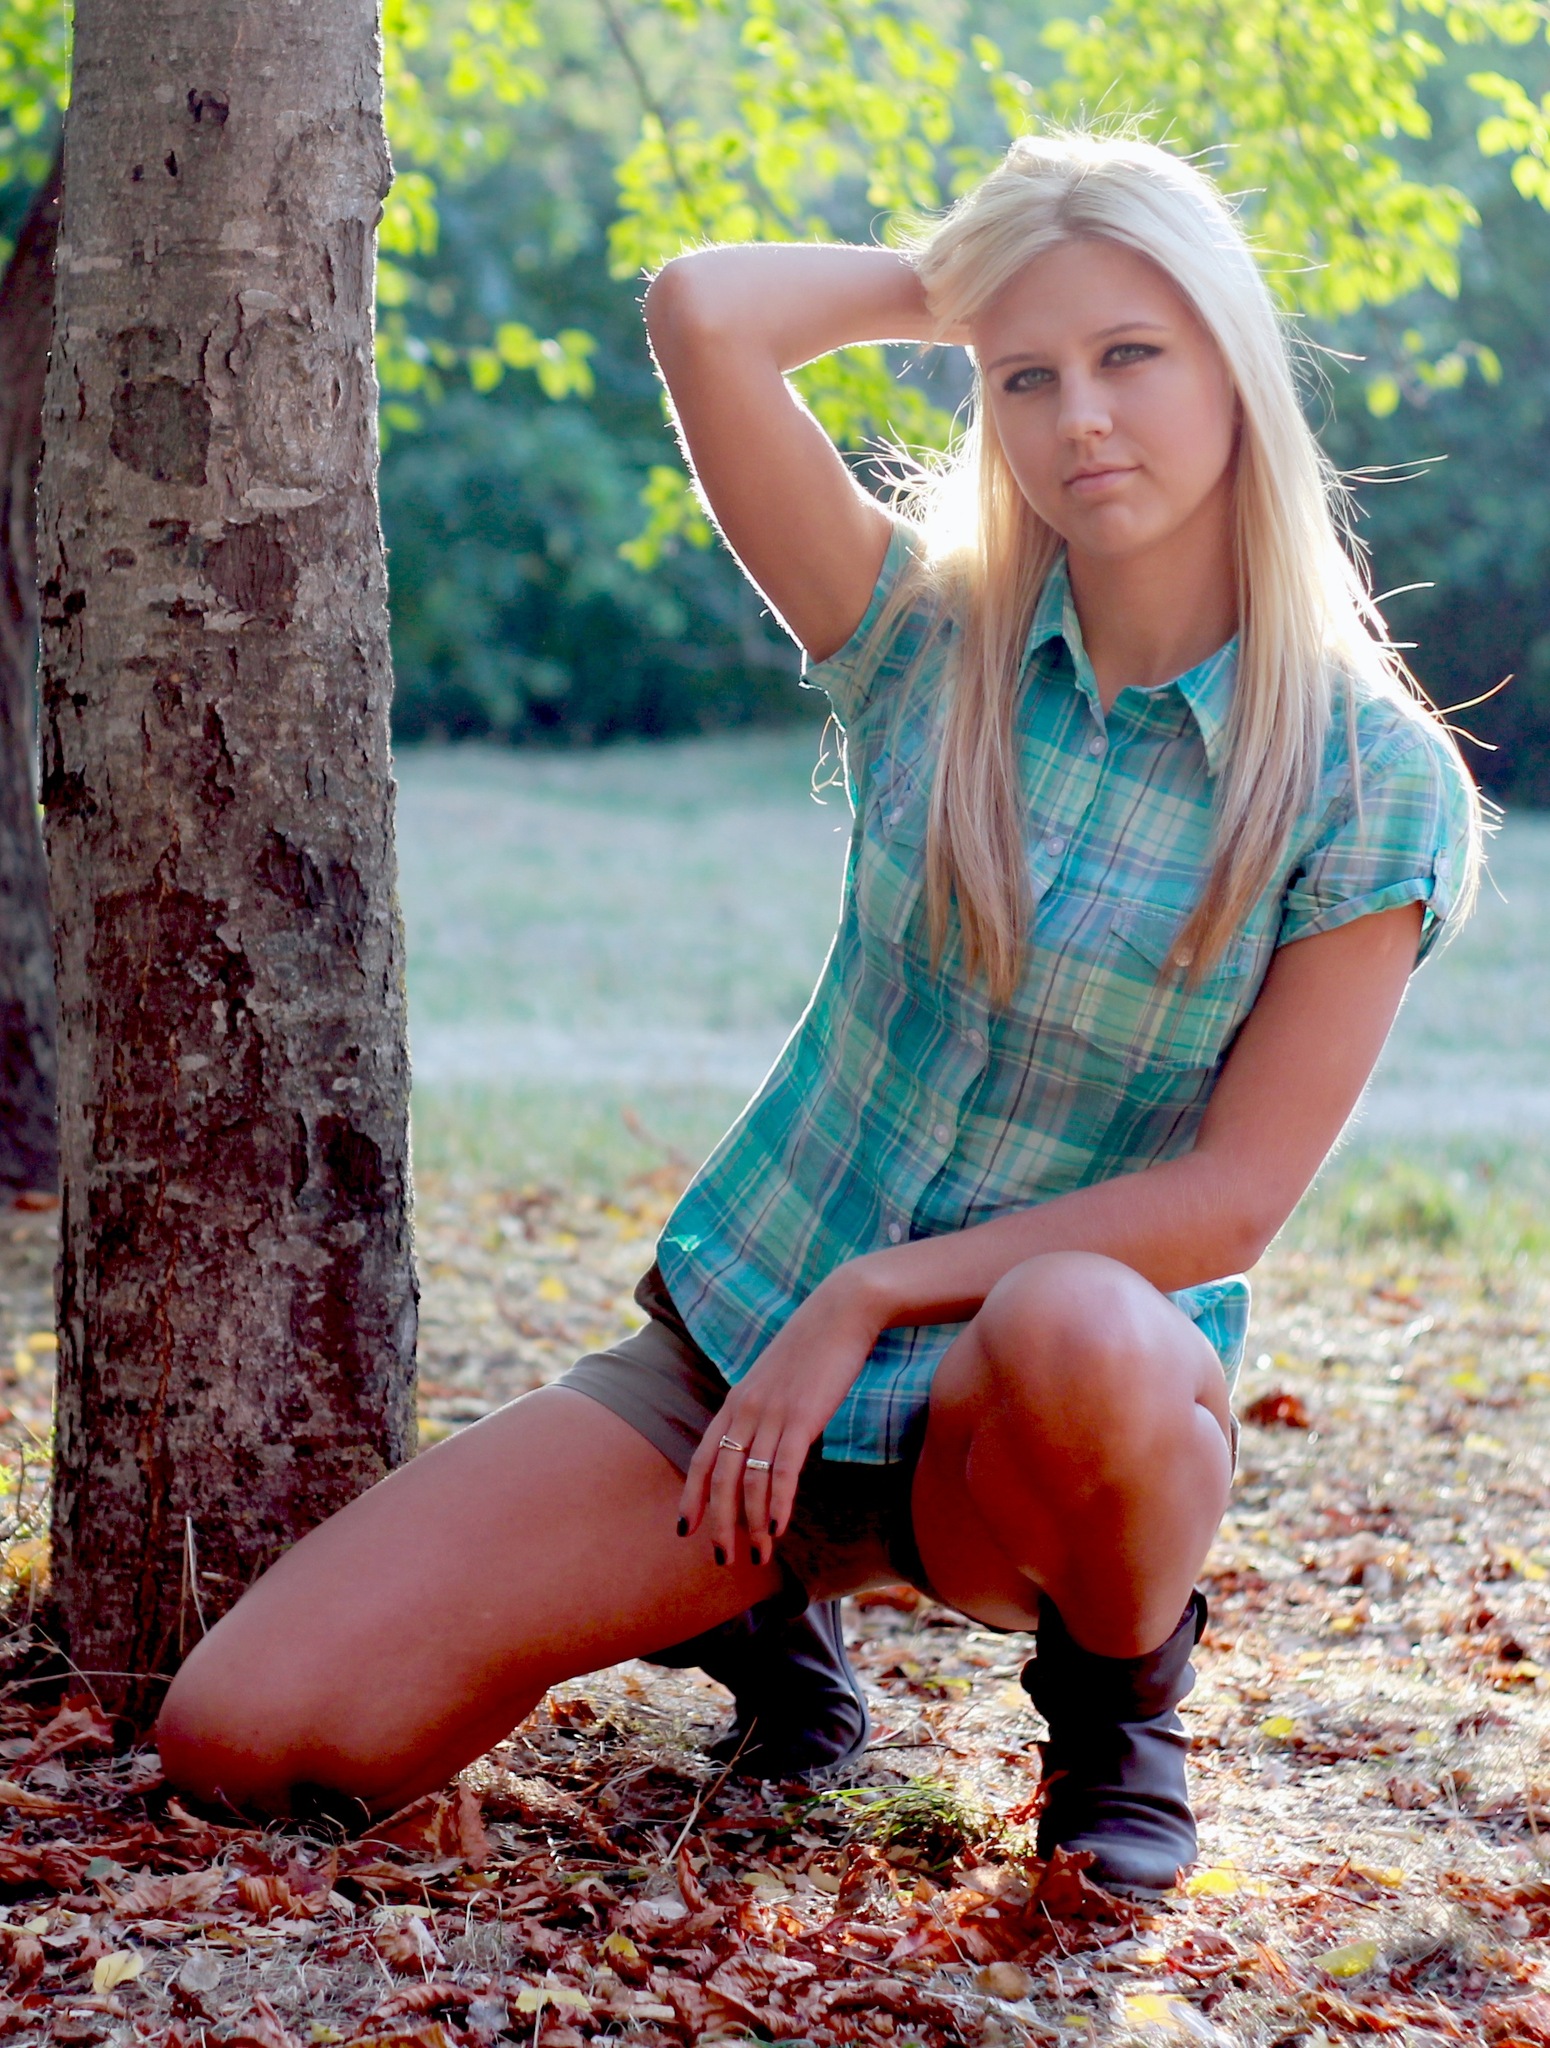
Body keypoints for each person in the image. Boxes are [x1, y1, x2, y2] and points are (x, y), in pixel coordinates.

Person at [157, 131, 1479, 1897]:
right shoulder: (921, 638)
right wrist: (988, 272)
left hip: (1018, 1429)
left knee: (1078, 1319)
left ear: (1235, 363)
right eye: (1025, 375)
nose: (1080, 417)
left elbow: (1231, 1200)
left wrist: (868, 1297)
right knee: (245, 1735)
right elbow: (704, 312)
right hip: (739, 1376)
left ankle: (1115, 1710)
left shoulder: (1365, 780)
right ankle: (747, 1603)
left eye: (1132, 353)